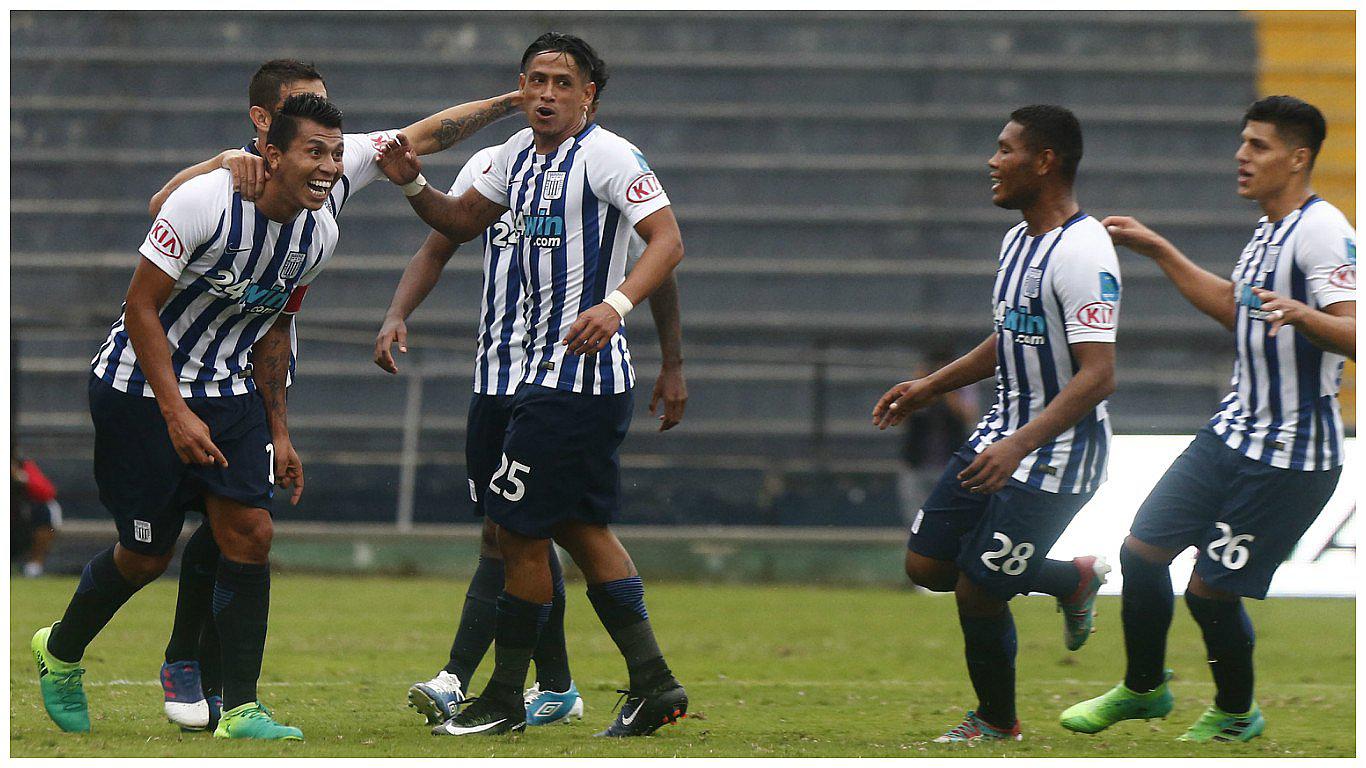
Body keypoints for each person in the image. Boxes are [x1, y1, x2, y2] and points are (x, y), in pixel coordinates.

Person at [147, 59, 523, 733]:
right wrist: (216, 162)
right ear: (267, 127)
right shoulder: (236, 173)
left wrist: (512, 100)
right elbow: (158, 209)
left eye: (327, 114)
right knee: (177, 533)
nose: (326, 142)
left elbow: (424, 137)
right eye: (306, 116)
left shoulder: (336, 163)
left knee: (241, 523)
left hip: (257, 362)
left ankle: (202, 673)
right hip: (185, 365)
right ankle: (152, 655)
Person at [374, 32, 688, 737]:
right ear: (520, 87)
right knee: (574, 527)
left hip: (574, 378)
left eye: (562, 82)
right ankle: (654, 684)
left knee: (515, 532)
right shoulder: (512, 156)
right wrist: (415, 183)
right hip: (508, 378)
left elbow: (667, 242)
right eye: (535, 80)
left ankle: (504, 697)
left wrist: (616, 307)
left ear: (588, 96)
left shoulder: (609, 155)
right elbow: (456, 225)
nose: (546, 94)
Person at [30, 93, 346, 741]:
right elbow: (141, 307)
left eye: (337, 154)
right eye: (315, 151)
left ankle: (241, 709)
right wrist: (175, 413)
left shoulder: (321, 235)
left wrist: (280, 433)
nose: (330, 166)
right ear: (273, 153)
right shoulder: (205, 202)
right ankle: (60, 650)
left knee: (250, 533)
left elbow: (274, 332)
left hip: (229, 395)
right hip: (138, 391)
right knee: (146, 555)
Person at [1060, 95, 1355, 743]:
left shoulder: (1322, 230)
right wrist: (1160, 251)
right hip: (1231, 433)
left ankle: (1235, 712)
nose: (1240, 156)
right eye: (1242, 142)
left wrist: (1305, 316)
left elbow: (1354, 332)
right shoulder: (1269, 230)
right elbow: (1234, 308)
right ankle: (1143, 690)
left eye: (1257, 146)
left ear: (1297, 158)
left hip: (1289, 455)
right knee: (1140, 553)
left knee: (1208, 593)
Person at [872, 105, 1119, 743]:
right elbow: (1009, 339)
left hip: (1057, 455)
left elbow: (1098, 374)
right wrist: (930, 386)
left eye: (1007, 150)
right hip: (1000, 437)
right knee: (927, 566)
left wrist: (1019, 443)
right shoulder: (1016, 242)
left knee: (980, 589)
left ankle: (996, 720)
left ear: (1045, 162)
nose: (992, 161)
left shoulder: (1085, 250)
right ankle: (1072, 577)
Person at [895, 349, 976, 527]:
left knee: (946, 519)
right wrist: (920, 387)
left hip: (950, 463)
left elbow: (968, 416)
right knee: (913, 519)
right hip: (917, 463)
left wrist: (944, 386)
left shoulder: (962, 389)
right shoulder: (917, 389)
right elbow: (902, 417)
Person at [11, 455, 63, 578]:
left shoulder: (23, 466)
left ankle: (34, 565)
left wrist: (22, 478)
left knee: (46, 512)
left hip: (23, 525)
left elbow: (48, 492)